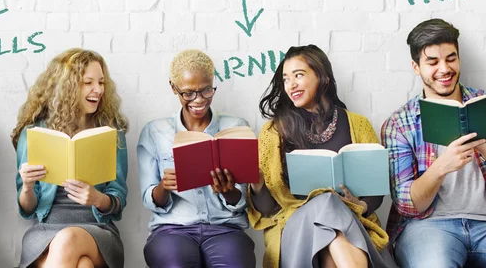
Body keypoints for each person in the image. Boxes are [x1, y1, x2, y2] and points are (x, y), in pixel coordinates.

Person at [248, 44, 395, 268]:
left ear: (323, 77)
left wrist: (361, 206)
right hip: (296, 230)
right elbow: (269, 210)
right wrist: (257, 184)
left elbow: (375, 189)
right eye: (286, 79)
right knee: (326, 200)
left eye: (299, 75)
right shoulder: (273, 132)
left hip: (349, 225)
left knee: (331, 239)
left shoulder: (358, 124)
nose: (291, 84)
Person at [137, 49, 256, 268]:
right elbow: (149, 199)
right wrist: (165, 187)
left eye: (206, 90)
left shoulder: (236, 127)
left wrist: (228, 191)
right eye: (189, 93)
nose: (199, 100)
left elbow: (242, 198)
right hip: (172, 230)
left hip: (225, 229)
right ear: (174, 88)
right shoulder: (155, 132)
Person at [381, 18, 486, 267]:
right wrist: (441, 167)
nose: (444, 69)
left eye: (451, 59)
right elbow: (407, 205)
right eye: (433, 62)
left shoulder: (483, 103)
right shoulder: (399, 124)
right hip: (427, 227)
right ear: (416, 67)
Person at [12, 48, 129, 268]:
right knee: (83, 265)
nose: (98, 90)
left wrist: (97, 199)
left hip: (98, 230)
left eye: (101, 82)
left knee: (68, 240)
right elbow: (28, 210)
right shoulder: (35, 133)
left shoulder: (111, 133)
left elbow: (118, 200)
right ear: (68, 87)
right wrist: (27, 186)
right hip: (45, 231)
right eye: (88, 83)